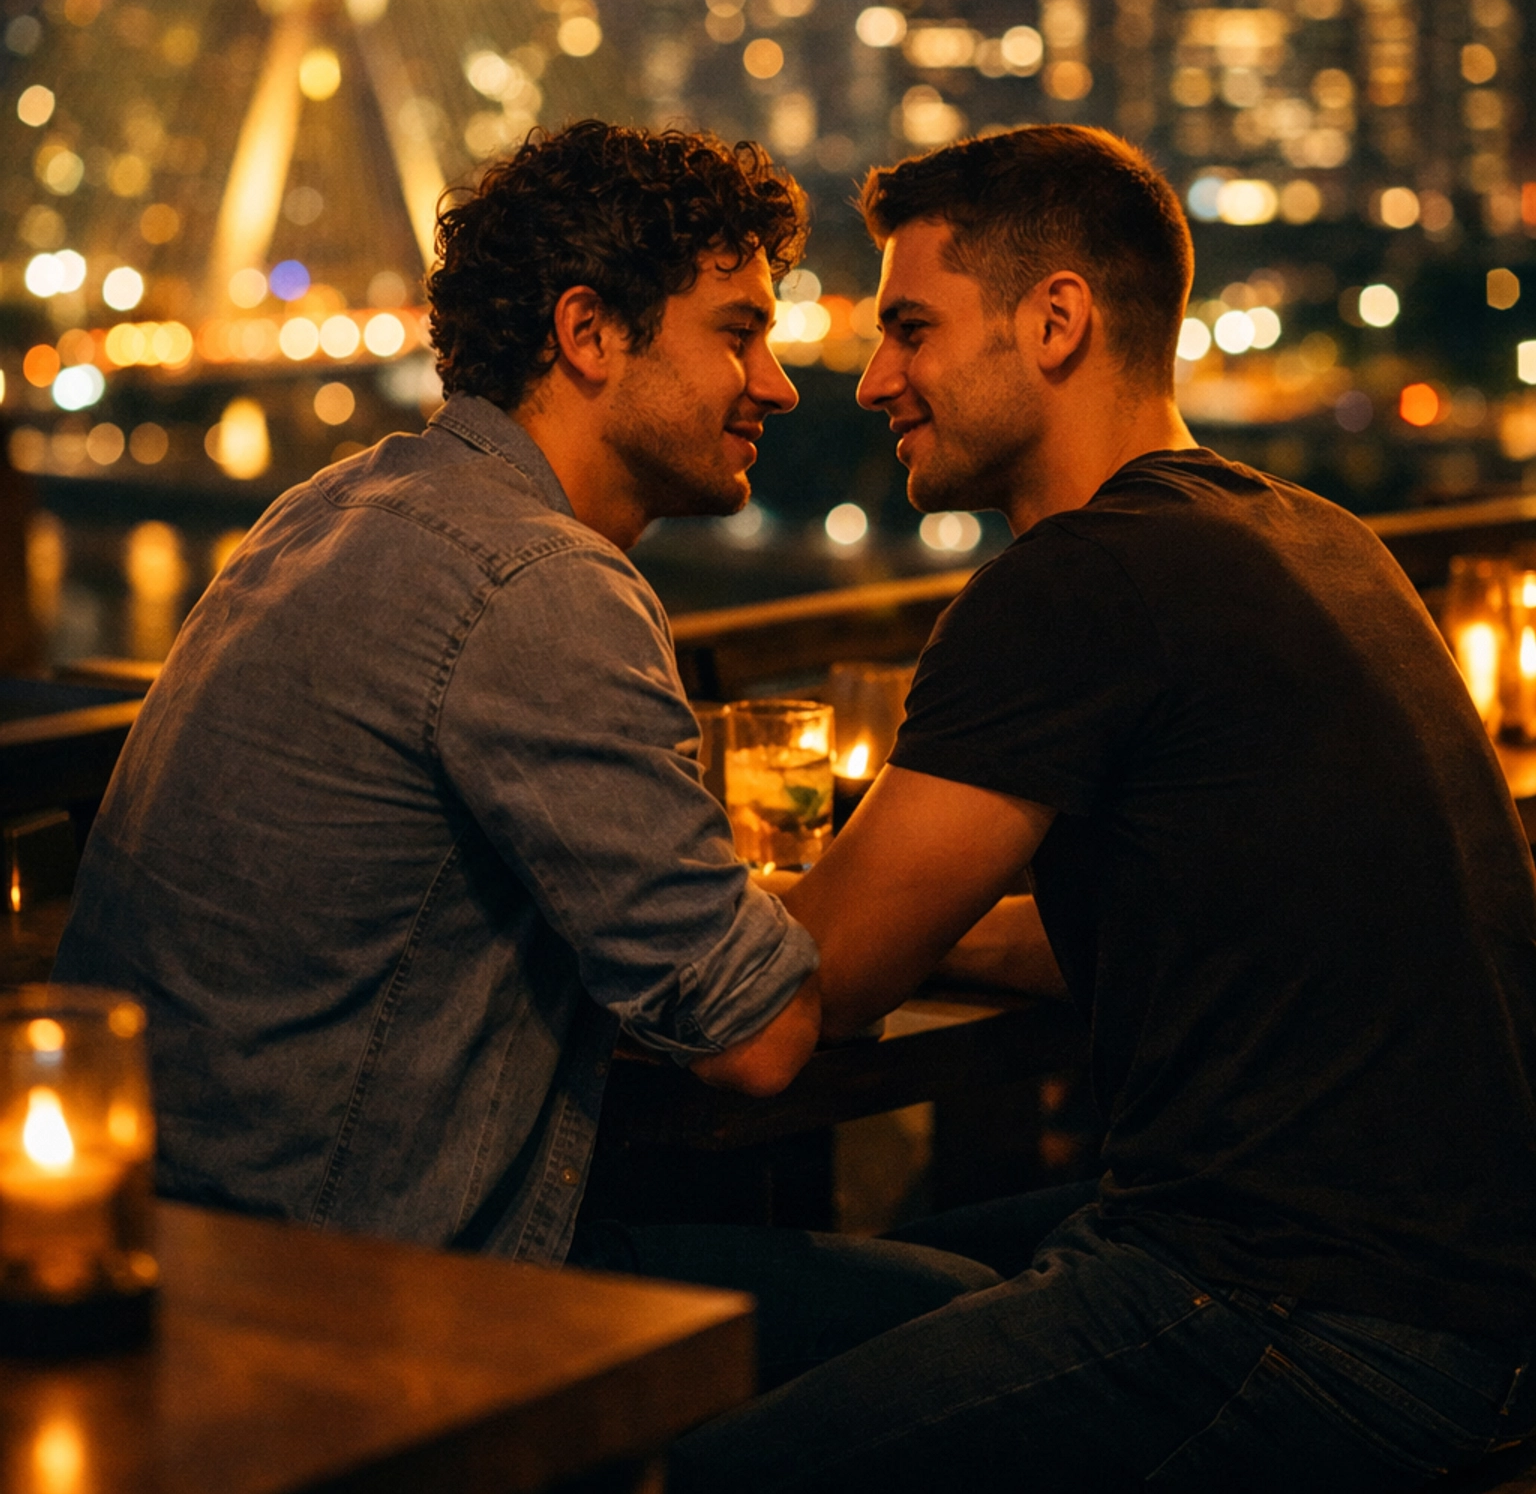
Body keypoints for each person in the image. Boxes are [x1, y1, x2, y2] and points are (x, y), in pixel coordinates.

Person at [674, 123, 1536, 1494]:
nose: (875, 375)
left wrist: (740, 907)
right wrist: (936, 920)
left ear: (1057, 320)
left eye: (909, 327)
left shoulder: (1079, 581)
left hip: (1307, 1315)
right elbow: (1194, 924)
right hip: (1470, 1302)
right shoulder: (1313, 533)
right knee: (776, 1310)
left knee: (696, 1458)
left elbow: (819, 982)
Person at [55, 121, 991, 1372]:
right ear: (588, 333)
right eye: (738, 333)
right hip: (363, 1315)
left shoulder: (329, 506)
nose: (777, 384)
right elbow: (761, 1039)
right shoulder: (539, 585)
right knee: (966, 1322)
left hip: (191, 1270)